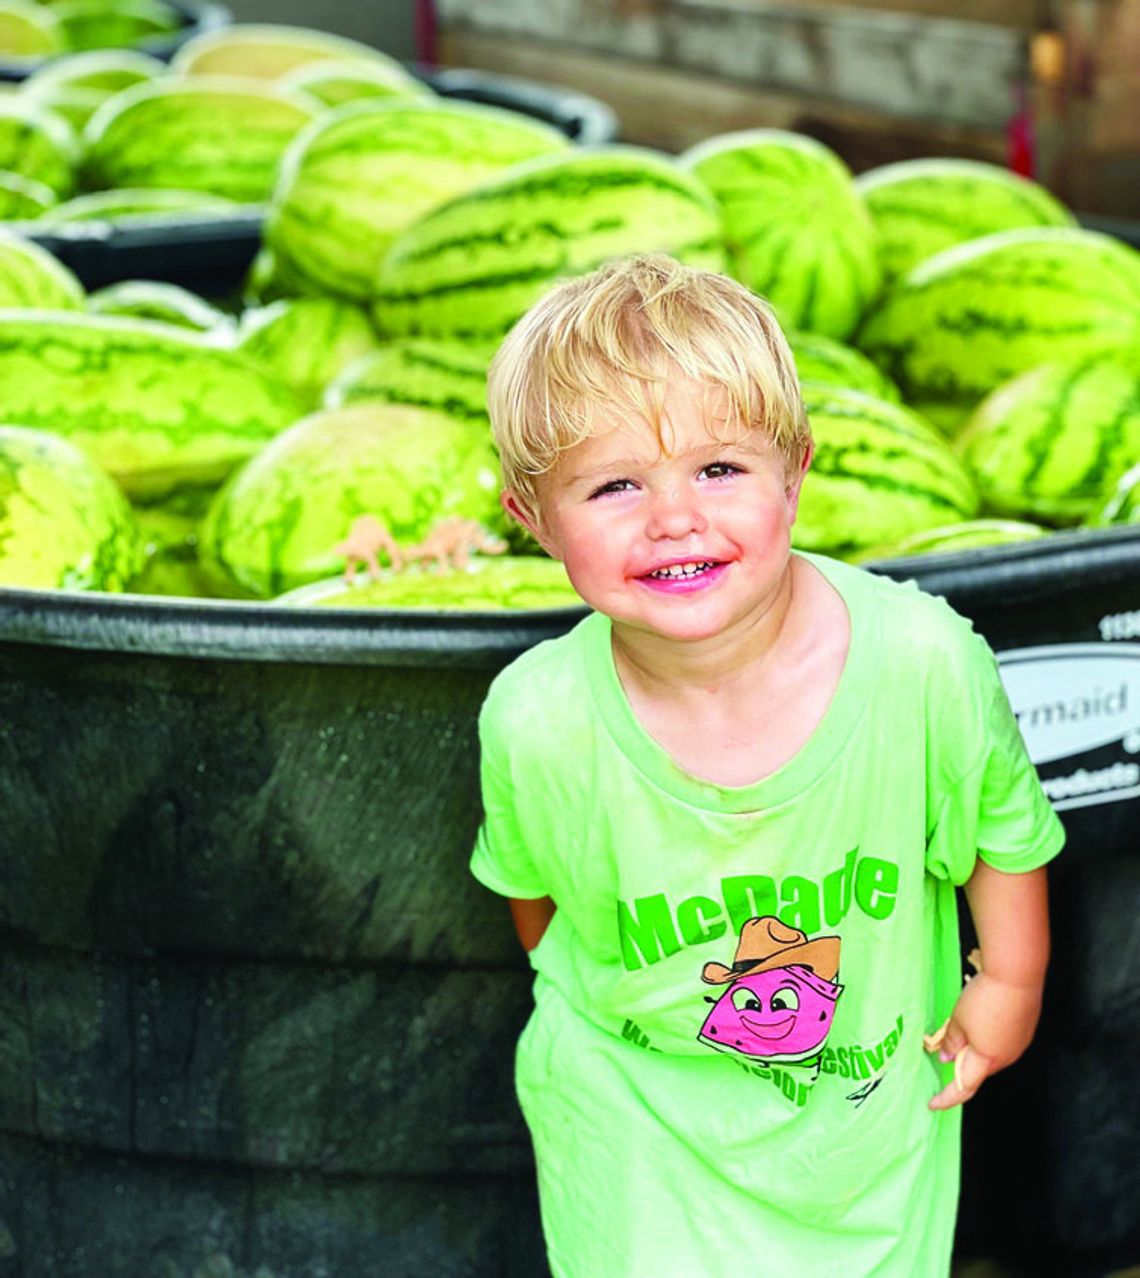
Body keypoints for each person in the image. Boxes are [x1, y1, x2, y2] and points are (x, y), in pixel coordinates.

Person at [469, 253, 1064, 1277]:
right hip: (633, 1125)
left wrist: (1010, 978)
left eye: (719, 469)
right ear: (532, 518)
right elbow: (543, 912)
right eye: (614, 484)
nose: (673, 518)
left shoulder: (922, 666)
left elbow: (1001, 828)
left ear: (796, 471)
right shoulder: (537, 718)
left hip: (853, 1128)